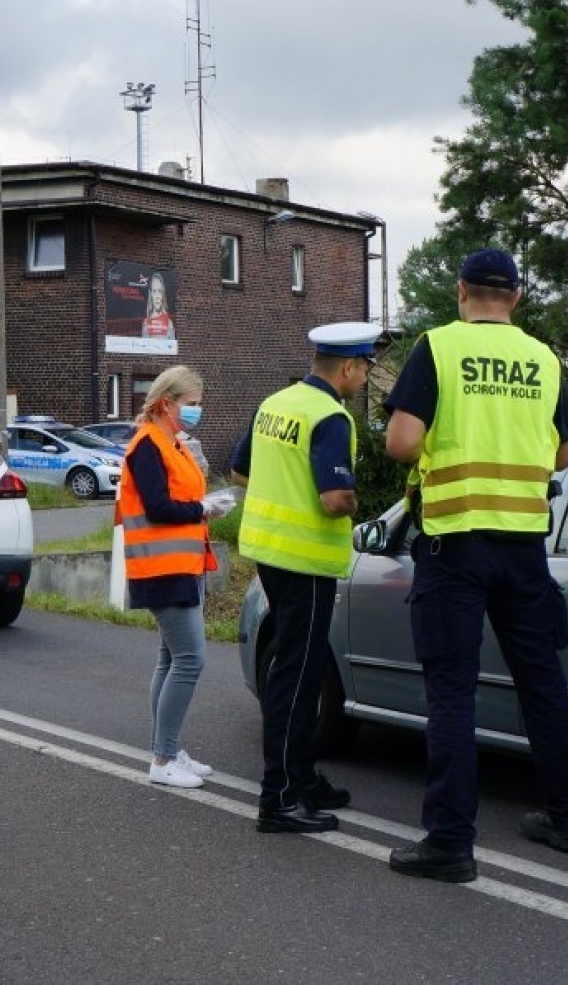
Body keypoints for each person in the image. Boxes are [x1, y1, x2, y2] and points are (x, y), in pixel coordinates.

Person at [383, 248, 568, 883]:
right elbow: (562, 455)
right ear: (518, 298)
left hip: (456, 544)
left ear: (461, 290)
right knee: (542, 680)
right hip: (524, 546)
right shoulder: (544, 358)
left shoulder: (438, 348)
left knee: (451, 689)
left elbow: (401, 442)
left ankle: (450, 842)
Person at [233, 320, 380, 834]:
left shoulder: (276, 403)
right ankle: (280, 797)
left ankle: (302, 775)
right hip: (307, 561)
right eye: (363, 369)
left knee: (294, 671)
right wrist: (359, 504)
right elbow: (335, 499)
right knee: (297, 680)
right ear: (346, 367)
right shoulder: (330, 416)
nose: (363, 379)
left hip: (270, 554)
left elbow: (240, 470)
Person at [117, 365, 234, 789]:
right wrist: (204, 509)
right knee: (190, 659)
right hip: (162, 566)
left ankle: (167, 748)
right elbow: (158, 507)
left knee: (170, 660)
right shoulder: (148, 445)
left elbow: (179, 498)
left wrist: (206, 503)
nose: (196, 411)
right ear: (167, 403)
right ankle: (163, 759)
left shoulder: (172, 442)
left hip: (181, 564)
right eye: (191, 404)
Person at [142, 274, 174, 339]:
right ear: (151, 295)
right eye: (154, 291)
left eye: (160, 291)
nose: (157, 296)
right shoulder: (146, 323)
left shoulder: (169, 323)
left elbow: (172, 347)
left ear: (163, 294)